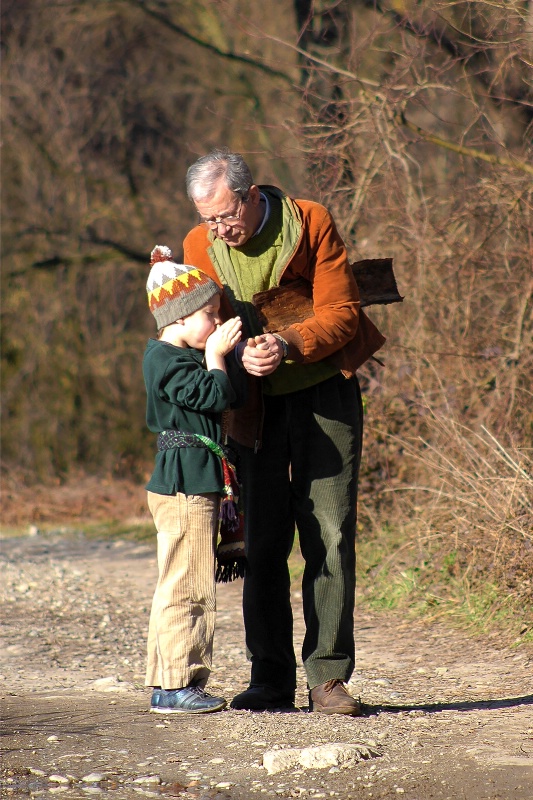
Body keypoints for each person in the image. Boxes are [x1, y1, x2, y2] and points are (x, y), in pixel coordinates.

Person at [183, 149, 386, 715]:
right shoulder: (200, 246)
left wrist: (288, 343)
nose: (218, 230)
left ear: (249, 196)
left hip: (324, 396)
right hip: (252, 409)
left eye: (226, 216)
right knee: (265, 542)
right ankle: (269, 678)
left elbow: (344, 311)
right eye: (208, 220)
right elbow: (194, 324)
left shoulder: (310, 221)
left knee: (330, 532)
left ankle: (328, 678)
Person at [143, 244, 243, 714]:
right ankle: (179, 683)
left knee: (177, 582)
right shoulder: (168, 360)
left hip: (189, 478)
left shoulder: (171, 356)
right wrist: (218, 356)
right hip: (186, 483)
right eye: (209, 313)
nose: (216, 324)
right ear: (180, 318)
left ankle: (169, 682)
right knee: (189, 586)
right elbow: (213, 395)